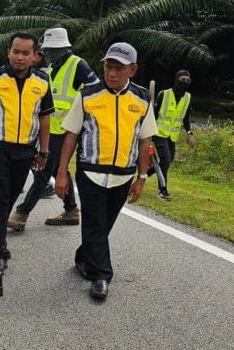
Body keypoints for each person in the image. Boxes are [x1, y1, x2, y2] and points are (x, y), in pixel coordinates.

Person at [54, 42, 157, 300]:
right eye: (108, 67)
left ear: (132, 70)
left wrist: (142, 177)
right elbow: (71, 134)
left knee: (104, 224)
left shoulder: (143, 99)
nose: (111, 73)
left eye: (118, 69)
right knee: (95, 222)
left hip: (123, 175)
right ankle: (100, 275)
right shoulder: (88, 95)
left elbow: (145, 140)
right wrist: (62, 171)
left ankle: (83, 258)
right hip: (90, 172)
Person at [0, 32, 53, 273]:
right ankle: (0, 251)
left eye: (25, 53)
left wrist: (44, 151)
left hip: (26, 150)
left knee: (12, 194)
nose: (20, 57)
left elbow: (45, 117)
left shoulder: (41, 82)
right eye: (15, 52)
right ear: (8, 52)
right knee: (0, 198)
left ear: (35, 56)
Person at [8, 27, 98, 232]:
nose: (47, 54)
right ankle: (71, 210)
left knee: (43, 172)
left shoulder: (78, 65)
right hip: (51, 130)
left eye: (52, 50)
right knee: (59, 170)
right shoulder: (49, 70)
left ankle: (21, 213)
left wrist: (84, 120)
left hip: (69, 130)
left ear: (64, 49)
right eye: (46, 50)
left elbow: (96, 91)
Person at [152, 69, 196, 199]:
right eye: (183, 80)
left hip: (172, 135)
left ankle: (146, 173)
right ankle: (163, 190)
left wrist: (189, 133)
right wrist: (146, 133)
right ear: (176, 80)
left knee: (168, 161)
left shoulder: (188, 97)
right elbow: (153, 114)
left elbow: (186, 117)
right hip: (158, 132)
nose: (185, 82)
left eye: (188, 80)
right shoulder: (164, 94)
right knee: (165, 159)